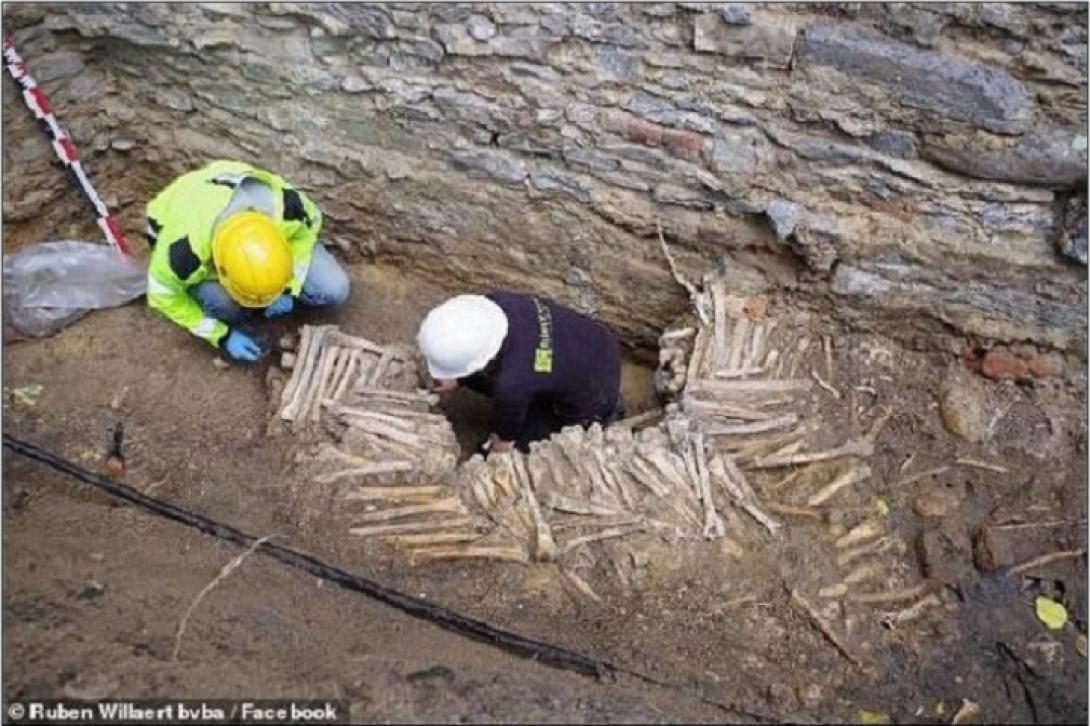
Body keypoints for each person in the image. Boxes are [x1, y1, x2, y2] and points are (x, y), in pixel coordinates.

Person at [144, 159, 350, 362]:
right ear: (219, 268)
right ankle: (235, 316)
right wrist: (221, 335)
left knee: (334, 288)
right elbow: (161, 294)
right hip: (181, 218)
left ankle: (258, 295)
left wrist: (289, 285)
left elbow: (307, 231)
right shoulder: (184, 254)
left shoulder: (287, 209)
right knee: (222, 303)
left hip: (229, 199)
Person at [417, 292, 625, 454]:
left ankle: (606, 414)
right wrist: (459, 375)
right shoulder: (496, 303)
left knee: (522, 446)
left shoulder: (512, 384)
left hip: (594, 394)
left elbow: (505, 436)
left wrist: (500, 445)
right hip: (598, 344)